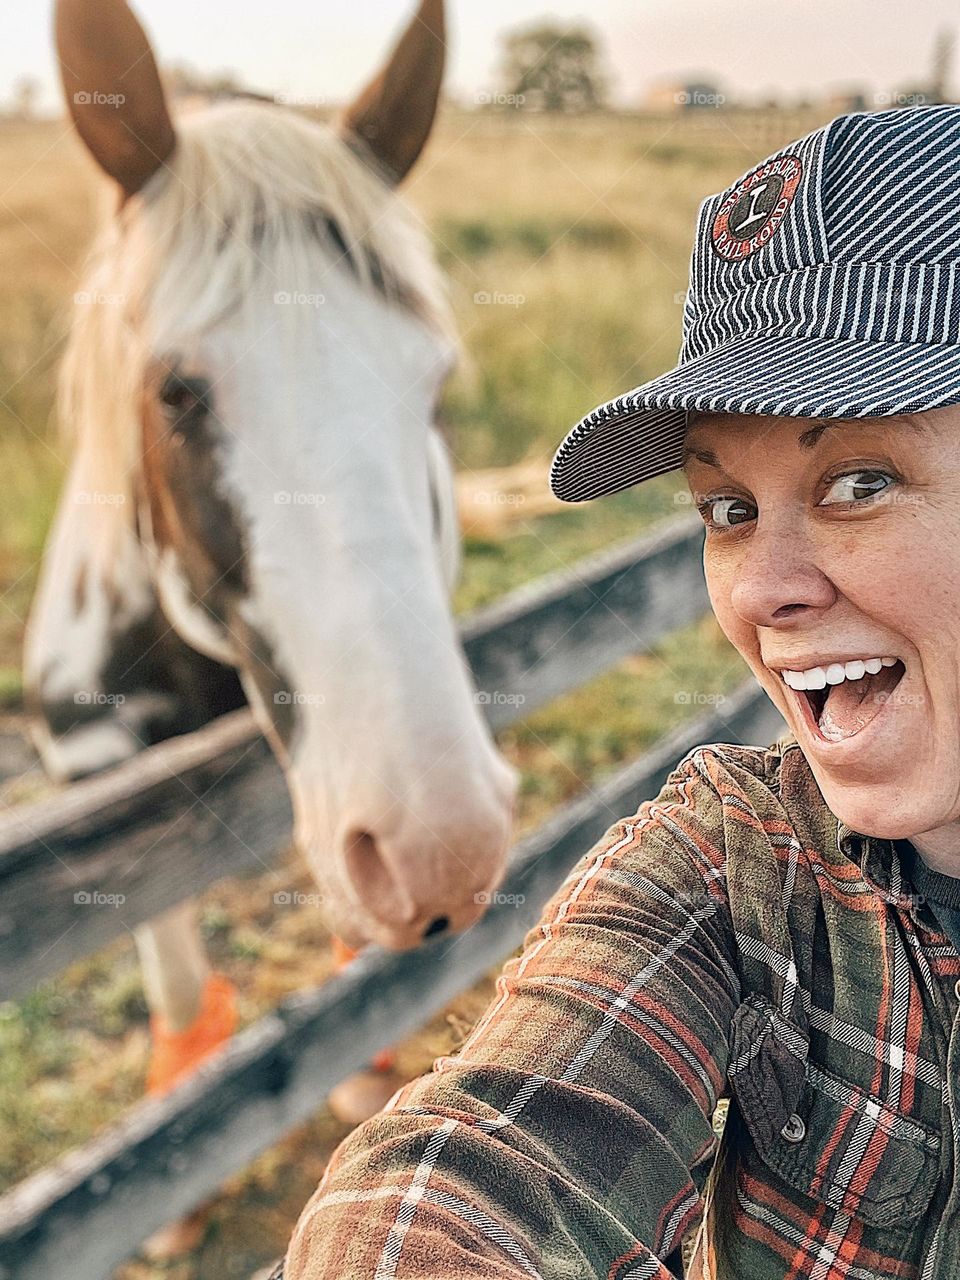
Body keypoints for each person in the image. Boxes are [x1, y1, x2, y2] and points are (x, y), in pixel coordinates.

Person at [278, 104, 960, 1279]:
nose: (762, 588)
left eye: (858, 478)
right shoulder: (732, 859)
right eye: (726, 509)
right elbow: (475, 1163)